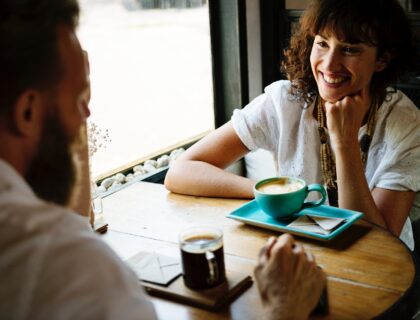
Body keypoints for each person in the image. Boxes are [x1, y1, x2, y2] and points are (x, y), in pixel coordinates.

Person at [0, 0, 325, 319]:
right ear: (27, 112)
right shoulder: (81, 274)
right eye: (78, 101)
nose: (86, 117)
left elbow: (71, 223)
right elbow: (72, 229)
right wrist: (284, 310)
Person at [165, 0, 420, 250]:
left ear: (381, 61)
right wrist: (273, 196)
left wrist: (345, 143)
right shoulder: (286, 101)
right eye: (322, 43)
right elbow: (181, 172)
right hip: (298, 250)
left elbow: (379, 245)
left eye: (350, 49)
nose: (329, 64)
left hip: (383, 271)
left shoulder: (407, 124)